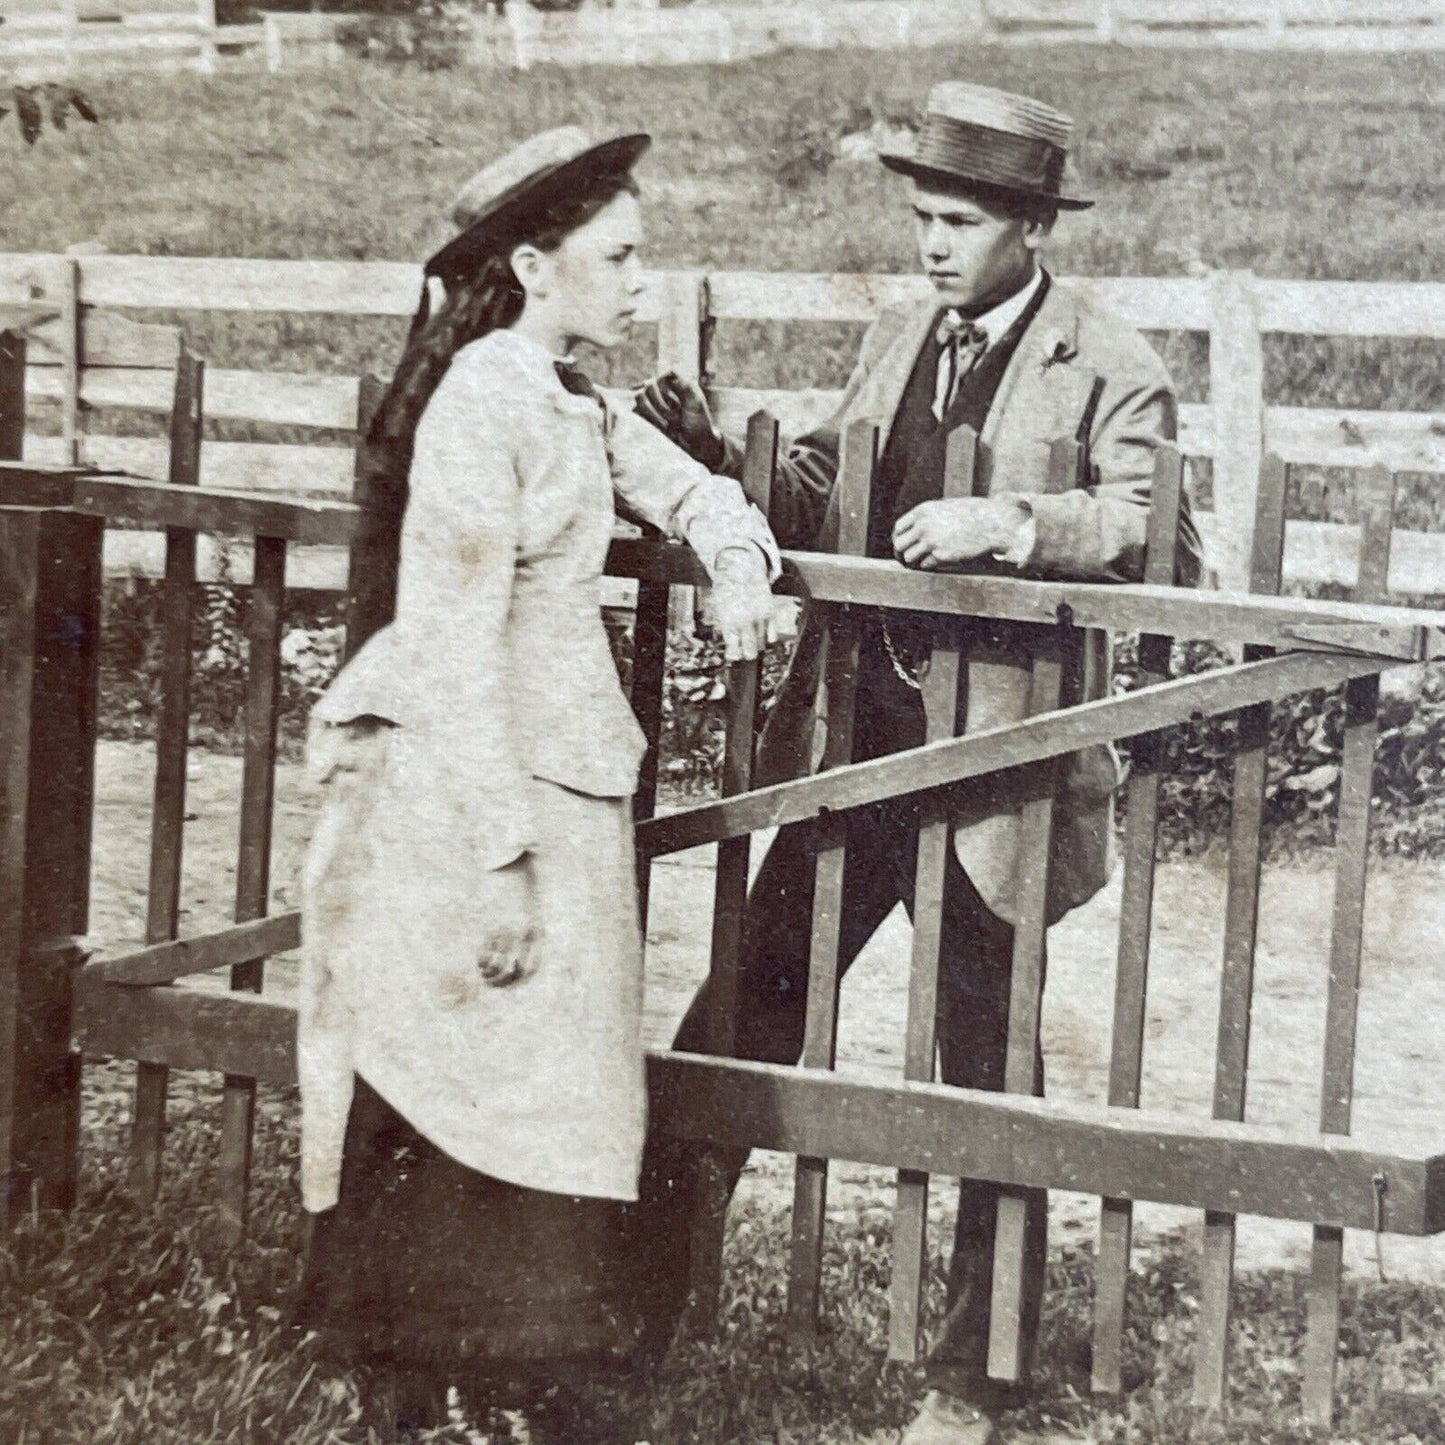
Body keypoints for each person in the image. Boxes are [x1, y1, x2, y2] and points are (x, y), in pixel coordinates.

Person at [636, 82, 1202, 1445]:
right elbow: (829, 494)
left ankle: (972, 1374)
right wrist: (729, 457)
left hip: (1004, 770)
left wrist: (1015, 519)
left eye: (955, 220)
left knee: (982, 1067)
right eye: (921, 218)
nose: (931, 244)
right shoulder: (900, 336)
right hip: (855, 752)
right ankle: (640, 1302)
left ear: (1023, 226)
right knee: (743, 1009)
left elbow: (1161, 535)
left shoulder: (1108, 363)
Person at [294, 125, 781, 1441]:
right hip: (477, 784)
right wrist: (497, 857)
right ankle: (430, 1379)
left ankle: (515, 1375)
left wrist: (736, 558)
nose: (640, 280)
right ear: (531, 263)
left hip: (564, 774)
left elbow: (686, 488)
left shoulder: (566, 396)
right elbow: (450, 642)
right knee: (462, 1055)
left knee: (555, 1078)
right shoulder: (480, 405)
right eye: (616, 256)